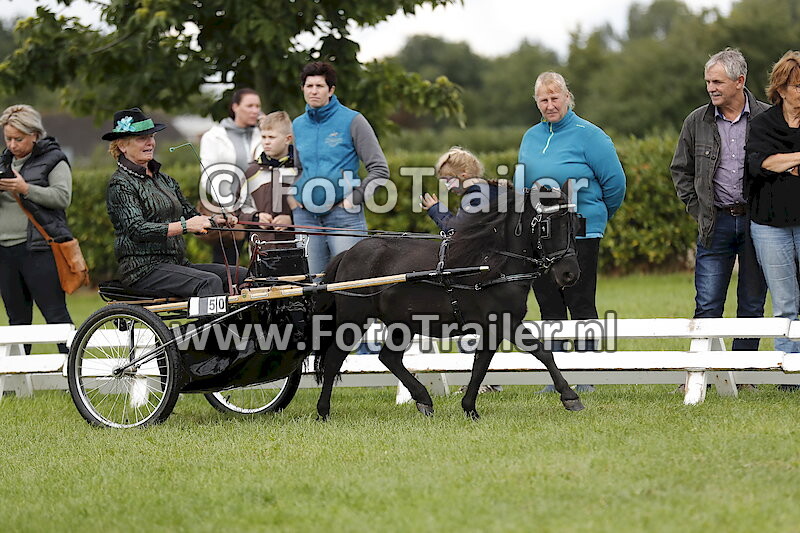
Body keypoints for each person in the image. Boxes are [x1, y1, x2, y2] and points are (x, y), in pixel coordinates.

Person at [518, 71, 626, 393]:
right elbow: (522, 187)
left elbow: (615, 185)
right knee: (548, 302)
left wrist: (595, 217)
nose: (550, 105)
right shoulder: (530, 137)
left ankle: (587, 372)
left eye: (555, 98)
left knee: (579, 301)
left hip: (580, 232)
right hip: (540, 235)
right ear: (536, 102)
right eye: (543, 100)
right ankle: (557, 375)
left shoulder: (590, 135)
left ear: (567, 97)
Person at [671, 48, 769, 370]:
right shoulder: (695, 121)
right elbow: (680, 170)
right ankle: (700, 373)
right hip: (715, 223)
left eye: (718, 81)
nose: (711, 87)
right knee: (708, 302)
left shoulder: (768, 119)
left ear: (740, 81)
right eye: (708, 81)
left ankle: (743, 374)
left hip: (760, 225)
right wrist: (698, 210)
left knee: (752, 303)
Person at [104, 107, 247, 297]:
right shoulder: (120, 183)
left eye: (152, 136)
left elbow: (191, 215)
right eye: (141, 138)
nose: (150, 143)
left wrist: (215, 220)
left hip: (176, 264)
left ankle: (239, 326)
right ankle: (210, 328)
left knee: (242, 275)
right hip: (142, 270)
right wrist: (185, 226)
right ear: (122, 145)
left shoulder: (165, 180)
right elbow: (136, 229)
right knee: (208, 282)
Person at [290, 61, 390, 276]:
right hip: (306, 217)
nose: (314, 91)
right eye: (309, 86)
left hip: (344, 215)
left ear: (331, 90)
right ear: (302, 89)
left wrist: (353, 199)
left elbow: (380, 170)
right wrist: (294, 195)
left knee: (348, 283)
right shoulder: (297, 125)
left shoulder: (353, 121)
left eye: (319, 86)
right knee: (311, 283)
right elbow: (297, 168)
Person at [421, 146, 504, 393]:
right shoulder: (491, 190)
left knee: (468, 323)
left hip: (480, 273)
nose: (446, 185)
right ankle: (486, 380)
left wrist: (436, 211)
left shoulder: (476, 195)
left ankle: (481, 382)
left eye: (448, 179)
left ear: (465, 173)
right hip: (492, 270)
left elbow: (456, 233)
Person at [745, 50, 800, 383]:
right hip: (769, 226)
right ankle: (787, 371)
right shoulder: (763, 124)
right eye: (797, 86)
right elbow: (759, 163)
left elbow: (771, 162)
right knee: (784, 302)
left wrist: (780, 161)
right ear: (781, 88)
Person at [0, 104, 73, 353]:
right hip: (4, 251)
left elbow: (62, 198)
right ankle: (17, 383)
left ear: (34, 134)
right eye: (8, 138)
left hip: (40, 248)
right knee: (16, 320)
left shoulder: (54, 159)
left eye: (18, 139)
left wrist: (25, 189)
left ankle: (74, 374)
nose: (12, 145)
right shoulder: (4, 161)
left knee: (55, 315)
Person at [199, 88, 262, 264]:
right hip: (229, 210)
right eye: (249, 105)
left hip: (258, 210)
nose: (255, 110)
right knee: (226, 263)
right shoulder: (214, 136)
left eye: (258, 106)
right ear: (235, 107)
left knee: (260, 264)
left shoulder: (262, 134)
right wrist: (227, 206)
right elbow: (209, 174)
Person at [239, 111, 295, 243]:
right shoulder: (251, 171)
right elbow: (237, 208)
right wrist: (255, 217)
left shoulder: (300, 170)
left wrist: (291, 219)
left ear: (288, 139)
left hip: (294, 246)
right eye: (263, 137)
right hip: (260, 248)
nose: (266, 142)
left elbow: (313, 207)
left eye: (272, 137)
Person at [420, 146, 501, 233]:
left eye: (449, 181)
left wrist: (435, 209)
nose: (448, 188)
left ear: (463, 176)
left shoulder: (477, 197)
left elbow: (457, 230)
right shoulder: (490, 191)